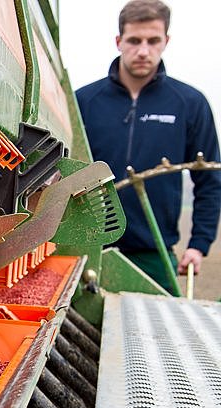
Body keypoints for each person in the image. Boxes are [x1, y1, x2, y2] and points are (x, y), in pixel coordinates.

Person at [75, 0, 221, 294]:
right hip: (88, 250)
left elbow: (210, 180)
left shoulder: (189, 103)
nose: (143, 51)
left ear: (166, 41)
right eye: (134, 41)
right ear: (119, 41)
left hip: (155, 255)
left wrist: (199, 244)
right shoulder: (84, 101)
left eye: (153, 41)